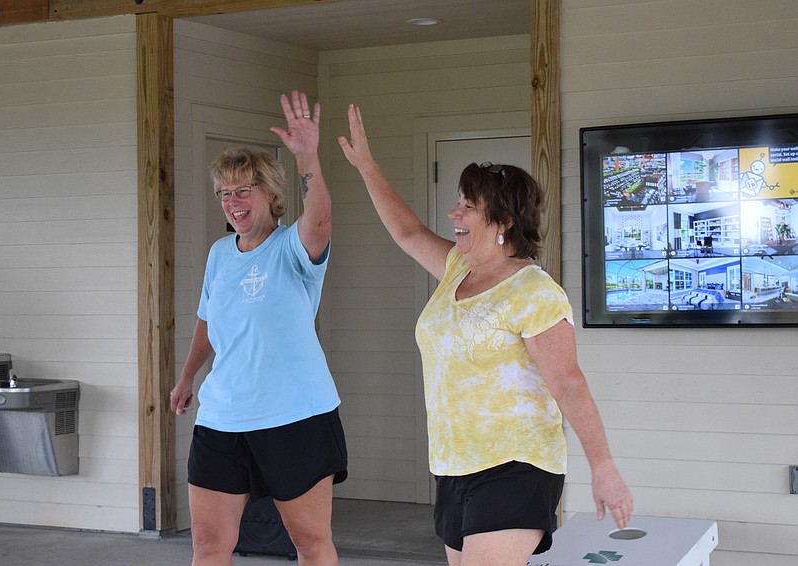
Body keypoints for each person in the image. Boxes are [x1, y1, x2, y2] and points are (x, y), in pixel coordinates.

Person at [338, 104, 633, 566]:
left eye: (468, 206)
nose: (454, 212)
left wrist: (603, 466)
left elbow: (568, 383)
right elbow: (407, 231)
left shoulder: (533, 291)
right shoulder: (457, 270)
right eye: (458, 200)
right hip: (453, 464)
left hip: (516, 465)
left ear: (504, 221)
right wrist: (367, 167)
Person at [169, 91, 347, 566]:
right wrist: (187, 376)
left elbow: (321, 218)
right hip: (222, 418)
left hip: (296, 417)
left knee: (310, 543)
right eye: (224, 194)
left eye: (243, 190)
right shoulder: (219, 254)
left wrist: (306, 155)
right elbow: (208, 319)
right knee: (208, 545)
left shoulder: (293, 247)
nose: (233, 202)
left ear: (270, 193)